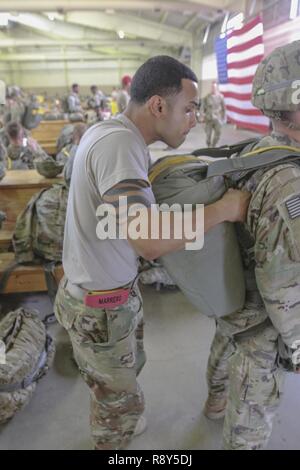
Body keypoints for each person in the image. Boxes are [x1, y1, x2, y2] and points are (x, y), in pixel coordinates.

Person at [54, 55, 250, 450]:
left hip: (105, 296)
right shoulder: (120, 145)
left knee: (121, 387)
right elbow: (148, 239)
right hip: (102, 308)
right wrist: (223, 209)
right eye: (189, 108)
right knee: (116, 418)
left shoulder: (109, 132)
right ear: (158, 105)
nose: (193, 118)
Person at [204, 41, 300, 450]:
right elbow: (283, 287)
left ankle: (214, 400)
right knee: (251, 419)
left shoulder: (256, 152)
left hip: (233, 299)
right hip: (261, 321)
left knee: (225, 351)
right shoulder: (290, 182)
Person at [201, 82, 226, 148]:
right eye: (212, 87)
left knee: (218, 133)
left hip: (218, 118)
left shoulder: (221, 97)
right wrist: (202, 118)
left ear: (217, 88)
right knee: (208, 135)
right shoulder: (207, 97)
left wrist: (223, 118)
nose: (213, 89)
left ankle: (213, 146)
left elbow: (224, 109)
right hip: (208, 118)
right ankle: (208, 144)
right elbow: (202, 108)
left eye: (214, 87)